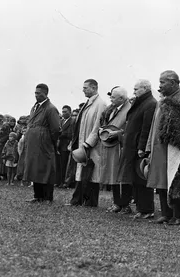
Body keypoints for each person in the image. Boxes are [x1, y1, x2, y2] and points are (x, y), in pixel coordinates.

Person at [147, 71, 180, 225]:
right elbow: (154, 126)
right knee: (161, 180)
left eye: (162, 82)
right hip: (159, 147)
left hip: (175, 149)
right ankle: (166, 213)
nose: (159, 86)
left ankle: (178, 215)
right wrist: (149, 146)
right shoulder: (161, 101)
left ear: (173, 82)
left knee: (176, 179)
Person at [117, 79, 157, 219]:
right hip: (132, 146)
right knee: (135, 179)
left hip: (138, 148)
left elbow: (146, 128)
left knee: (142, 179)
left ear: (145, 88)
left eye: (136, 89)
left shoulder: (150, 103)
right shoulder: (141, 102)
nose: (133, 92)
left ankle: (147, 209)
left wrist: (142, 147)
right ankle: (141, 208)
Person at [67, 79, 107, 207]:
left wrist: (88, 143)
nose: (83, 90)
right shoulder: (88, 103)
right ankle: (78, 199)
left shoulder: (100, 104)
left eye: (86, 88)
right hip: (83, 143)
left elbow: (98, 126)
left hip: (90, 146)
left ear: (94, 88)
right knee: (83, 172)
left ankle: (90, 201)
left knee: (91, 173)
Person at [24, 83, 61, 203]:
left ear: (45, 93)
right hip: (34, 144)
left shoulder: (50, 109)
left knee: (46, 169)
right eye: (35, 93)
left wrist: (48, 141)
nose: (36, 95)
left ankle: (47, 197)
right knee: (35, 168)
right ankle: (37, 195)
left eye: (38, 93)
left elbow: (56, 129)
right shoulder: (34, 107)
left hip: (44, 143)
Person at [99, 86, 132, 214]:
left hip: (121, 147)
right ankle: (117, 202)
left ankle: (125, 204)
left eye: (113, 97)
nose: (111, 99)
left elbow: (130, 128)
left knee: (122, 176)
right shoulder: (113, 110)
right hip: (112, 147)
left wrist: (118, 133)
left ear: (122, 98)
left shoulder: (129, 109)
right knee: (113, 175)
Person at [57, 105, 75, 187]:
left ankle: (64, 182)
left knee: (64, 165)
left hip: (66, 145)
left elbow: (71, 133)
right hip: (59, 145)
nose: (63, 113)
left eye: (65, 112)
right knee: (59, 164)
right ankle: (58, 181)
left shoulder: (72, 121)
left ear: (70, 112)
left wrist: (61, 134)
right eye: (63, 111)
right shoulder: (60, 121)